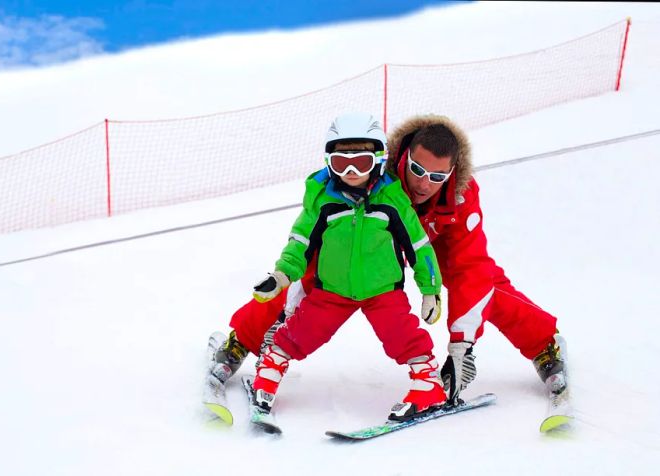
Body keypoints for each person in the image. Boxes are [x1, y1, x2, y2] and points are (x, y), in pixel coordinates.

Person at [209, 113, 565, 407]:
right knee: (313, 273)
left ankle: (544, 345)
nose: (425, 184)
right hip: (371, 242)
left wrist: (462, 344)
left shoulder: (460, 196)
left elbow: (470, 267)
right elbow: (306, 245)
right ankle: (242, 339)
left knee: (485, 283)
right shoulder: (379, 175)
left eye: (438, 177)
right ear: (403, 156)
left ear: (452, 171)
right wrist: (288, 300)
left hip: (431, 241)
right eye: (418, 170)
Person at [247, 112, 447, 421]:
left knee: (403, 335)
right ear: (329, 162)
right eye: (341, 163)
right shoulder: (323, 201)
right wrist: (282, 275)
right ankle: (269, 370)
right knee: (301, 332)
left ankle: (427, 384)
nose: (351, 171)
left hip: (383, 291)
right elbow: (300, 242)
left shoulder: (392, 202)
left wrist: (430, 290)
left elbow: (419, 247)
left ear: (378, 161)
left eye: (362, 163)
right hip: (333, 290)